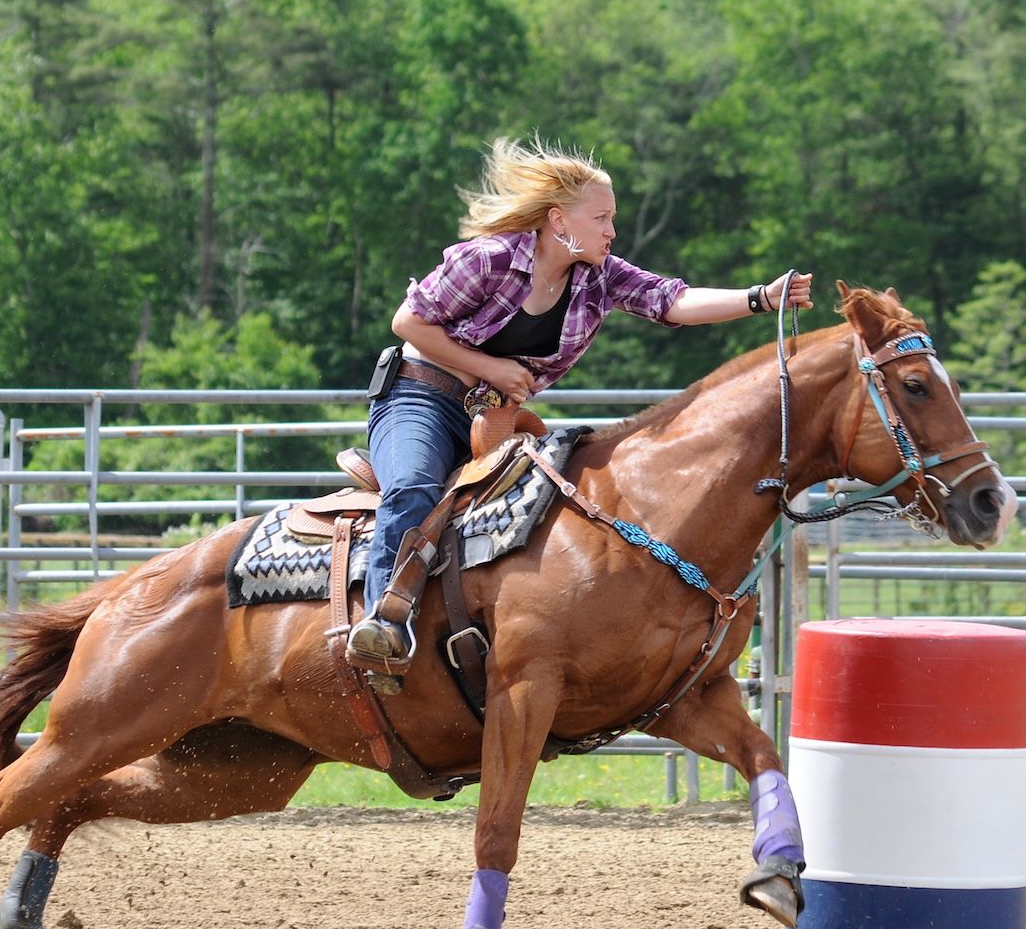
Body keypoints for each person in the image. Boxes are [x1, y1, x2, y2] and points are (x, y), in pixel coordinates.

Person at [348, 136, 814, 664]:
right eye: (601, 219)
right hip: (420, 397)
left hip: (495, 419)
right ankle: (382, 621)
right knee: (414, 485)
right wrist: (491, 368)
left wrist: (760, 298)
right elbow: (408, 322)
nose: (612, 231)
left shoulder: (600, 277)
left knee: (552, 515)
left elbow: (672, 301)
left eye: (612, 219)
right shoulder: (489, 260)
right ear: (558, 221)